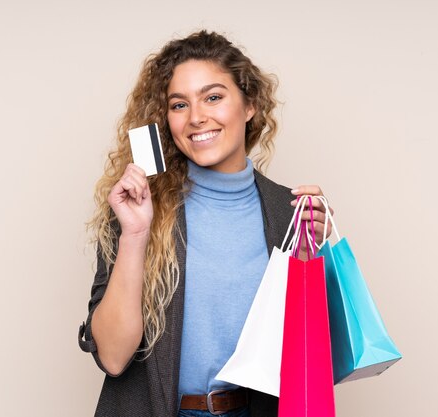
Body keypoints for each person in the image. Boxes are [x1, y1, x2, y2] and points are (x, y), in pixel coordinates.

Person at [78, 30, 334, 417]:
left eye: (213, 97)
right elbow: (113, 358)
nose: (196, 117)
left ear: (249, 105)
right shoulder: (139, 210)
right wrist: (135, 234)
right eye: (179, 105)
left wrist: (313, 256)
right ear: (166, 120)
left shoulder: (289, 213)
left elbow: (313, 358)